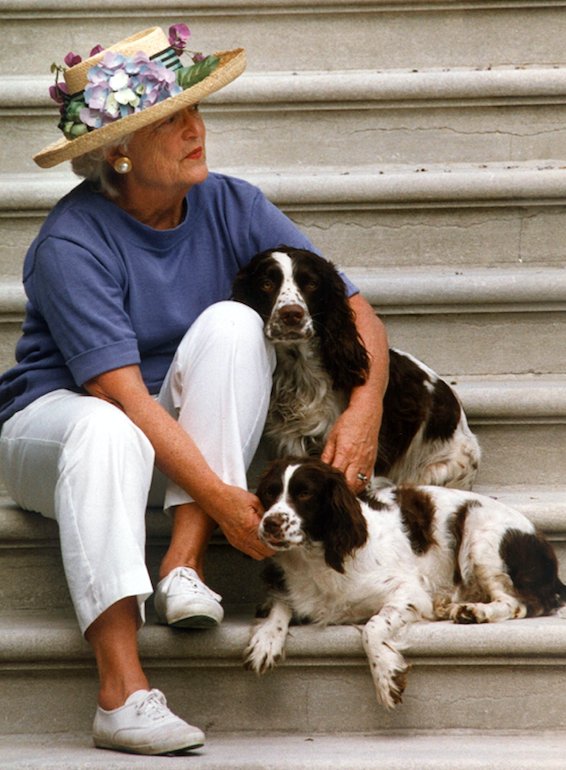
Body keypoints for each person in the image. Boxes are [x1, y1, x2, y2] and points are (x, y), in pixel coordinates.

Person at [0, 24, 389, 756]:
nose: (196, 130)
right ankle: (121, 694)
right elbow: (123, 398)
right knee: (104, 427)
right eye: (170, 121)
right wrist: (223, 499)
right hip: (59, 434)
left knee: (236, 324)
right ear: (118, 152)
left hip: (169, 443)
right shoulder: (70, 243)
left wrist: (364, 410)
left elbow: (354, 308)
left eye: (196, 112)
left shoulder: (230, 203)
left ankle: (183, 564)